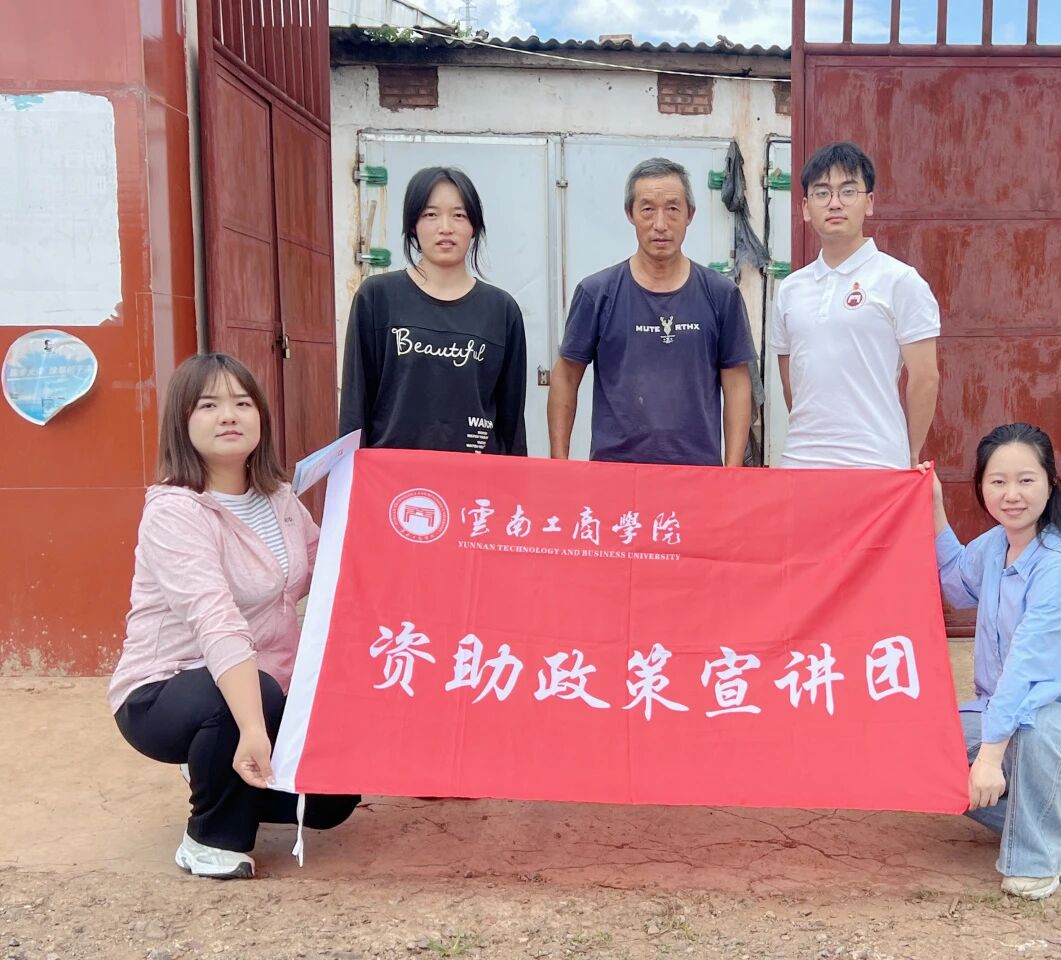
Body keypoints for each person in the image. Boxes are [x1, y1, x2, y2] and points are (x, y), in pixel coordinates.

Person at [110, 353, 359, 879]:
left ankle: (216, 765)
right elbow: (216, 624)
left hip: (268, 683)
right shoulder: (174, 512)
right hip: (167, 689)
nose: (229, 415)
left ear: (260, 418)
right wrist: (253, 728)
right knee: (246, 700)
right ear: (182, 423)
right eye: (209, 405)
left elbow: (332, 572)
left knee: (333, 799)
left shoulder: (279, 498)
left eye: (242, 403)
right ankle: (210, 838)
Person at [923, 423, 1061, 899]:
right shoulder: (995, 544)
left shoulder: (1059, 567)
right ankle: (1041, 798)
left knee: (1037, 731)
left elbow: (1027, 673)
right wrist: (932, 504)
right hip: (1006, 710)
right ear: (981, 486)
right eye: (997, 481)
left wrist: (989, 758)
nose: (1011, 494)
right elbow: (956, 580)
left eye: (1026, 480)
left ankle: (1042, 855)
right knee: (921, 741)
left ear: (1050, 483)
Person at [547, 157, 755, 466]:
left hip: (697, 473)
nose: (660, 224)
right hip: (615, 472)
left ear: (690, 215)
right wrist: (559, 464)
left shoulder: (721, 295)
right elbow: (565, 377)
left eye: (672, 209)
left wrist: (732, 471)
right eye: (647, 209)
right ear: (630, 213)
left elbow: (737, 384)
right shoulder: (596, 293)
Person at [771, 141, 940, 469]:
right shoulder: (791, 289)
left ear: (869, 202)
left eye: (848, 191)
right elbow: (791, 378)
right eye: (822, 193)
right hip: (802, 460)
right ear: (805, 207)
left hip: (876, 462)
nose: (835, 203)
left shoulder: (900, 280)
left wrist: (911, 453)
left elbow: (925, 378)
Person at [339, 166, 527, 455]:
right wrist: (350, 471)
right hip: (392, 475)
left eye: (459, 215)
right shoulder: (377, 297)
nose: (445, 227)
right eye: (431, 214)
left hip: (476, 475)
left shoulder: (501, 310)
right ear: (413, 224)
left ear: (474, 227)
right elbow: (355, 408)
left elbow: (512, 426)